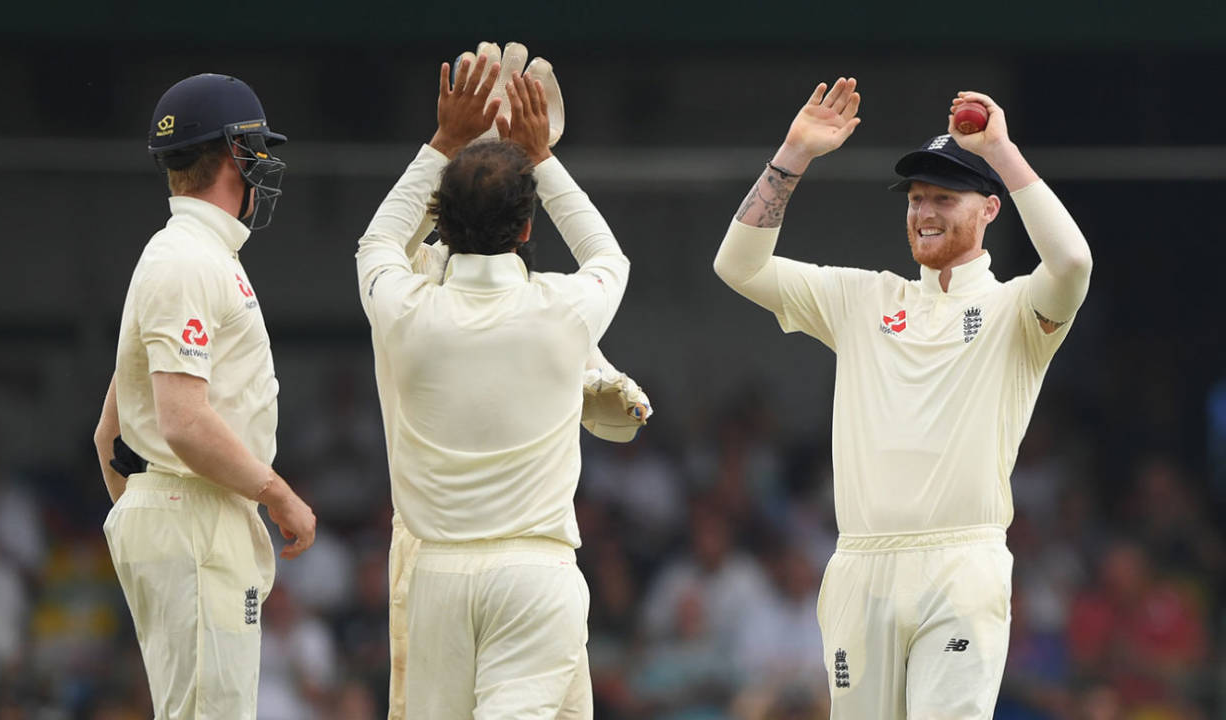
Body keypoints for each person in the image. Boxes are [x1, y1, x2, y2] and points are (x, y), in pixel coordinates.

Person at [713, 78, 1093, 718]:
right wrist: (794, 153)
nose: (924, 212)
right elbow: (737, 266)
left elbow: (1073, 264)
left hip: (961, 562)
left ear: (988, 210)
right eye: (916, 198)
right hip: (860, 564)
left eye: (944, 197)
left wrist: (1000, 151)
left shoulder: (1016, 309)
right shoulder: (864, 298)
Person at [379, 42, 651, 720]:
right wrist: (540, 158)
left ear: (442, 214)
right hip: (534, 571)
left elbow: (377, 245)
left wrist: (445, 143)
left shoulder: (405, 308)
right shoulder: (560, 310)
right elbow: (605, 257)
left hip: (436, 571)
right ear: (527, 222)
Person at [92, 72, 316, 720]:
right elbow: (183, 422)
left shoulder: (188, 256)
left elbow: (111, 434)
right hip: (197, 517)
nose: (263, 167)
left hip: (189, 518)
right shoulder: (187, 259)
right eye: (256, 151)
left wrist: (150, 516)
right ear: (232, 155)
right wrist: (276, 494)